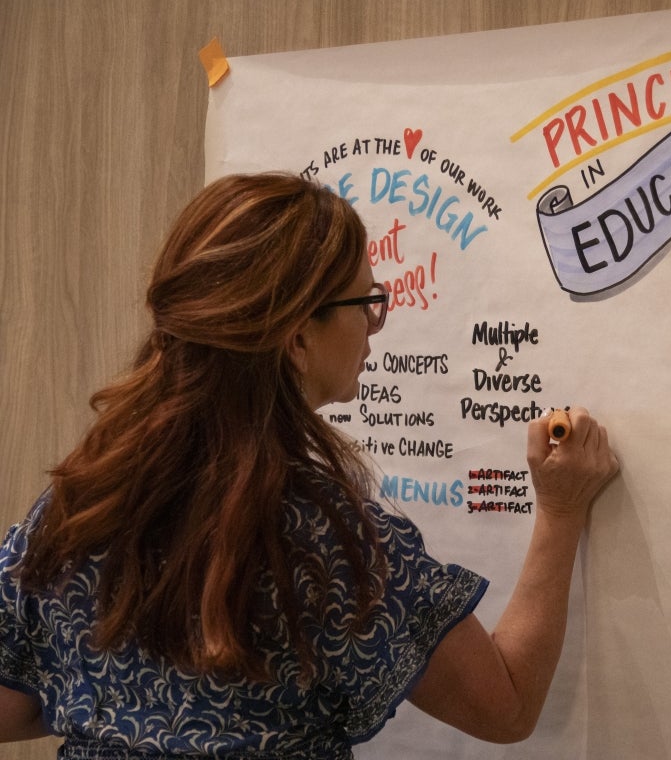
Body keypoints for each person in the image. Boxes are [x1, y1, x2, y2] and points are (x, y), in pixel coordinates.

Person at [0, 173, 619, 757]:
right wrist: (561, 511)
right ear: (298, 338)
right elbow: (504, 707)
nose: (374, 329)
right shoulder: (323, 538)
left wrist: (120, 708)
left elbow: (10, 706)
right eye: (365, 304)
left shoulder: (79, 505)